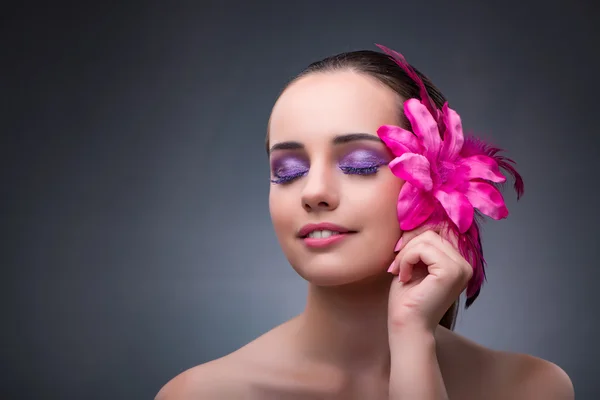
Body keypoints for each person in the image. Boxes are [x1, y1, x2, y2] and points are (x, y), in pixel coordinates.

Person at [156, 45, 574, 399]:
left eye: (359, 164)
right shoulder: (202, 393)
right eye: (287, 170)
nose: (312, 191)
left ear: (436, 183)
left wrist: (412, 343)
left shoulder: (531, 387)